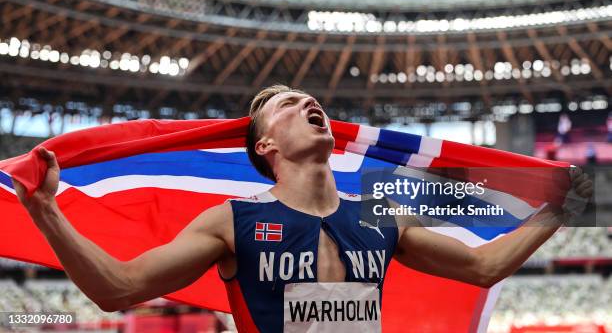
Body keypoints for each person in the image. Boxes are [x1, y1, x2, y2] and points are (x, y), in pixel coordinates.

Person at [12, 85, 593, 332]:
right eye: (289, 106)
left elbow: (484, 267)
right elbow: (119, 288)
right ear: (264, 146)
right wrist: (47, 213)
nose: (308, 103)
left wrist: (557, 210)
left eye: (309, 101)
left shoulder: (379, 214)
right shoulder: (231, 220)